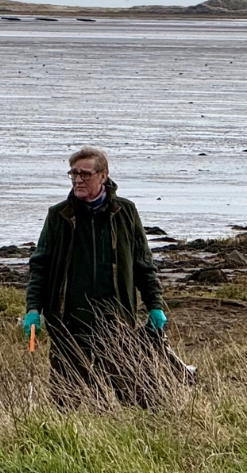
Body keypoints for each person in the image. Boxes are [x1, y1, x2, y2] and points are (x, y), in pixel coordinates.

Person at [22, 147, 184, 409]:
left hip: (116, 320)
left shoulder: (125, 212)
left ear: (103, 176)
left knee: (139, 396)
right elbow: (40, 266)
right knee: (68, 400)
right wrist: (33, 309)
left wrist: (155, 305)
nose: (77, 179)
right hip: (68, 322)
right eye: (73, 173)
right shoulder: (59, 215)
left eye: (84, 174)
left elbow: (143, 263)